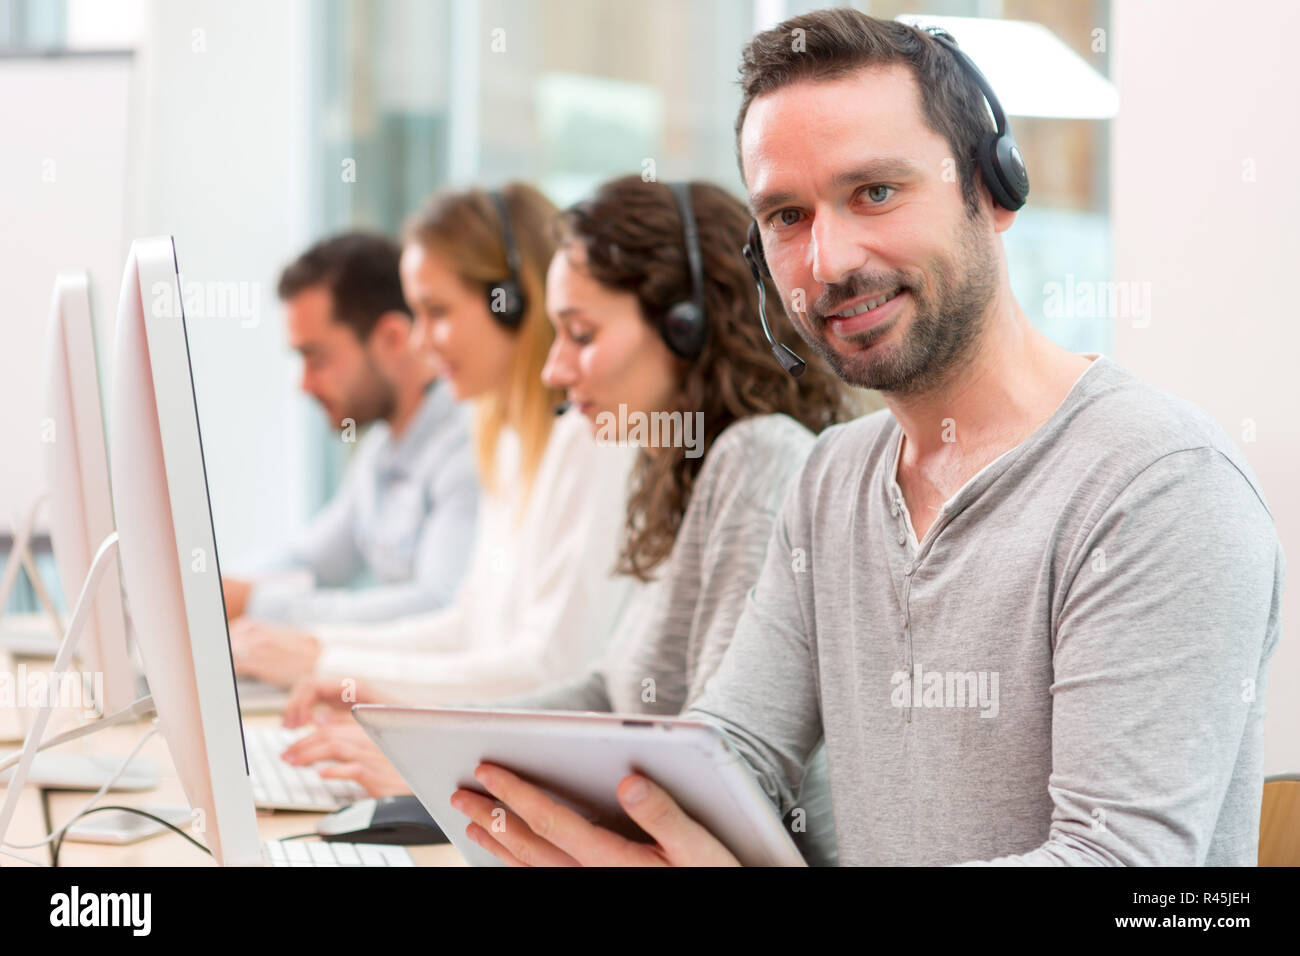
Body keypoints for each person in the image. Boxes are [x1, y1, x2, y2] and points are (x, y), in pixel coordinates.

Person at [450, 9, 1285, 866]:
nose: (829, 261)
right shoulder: (831, 479)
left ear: (993, 189)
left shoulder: (1162, 486)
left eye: (874, 193)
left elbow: (1125, 874)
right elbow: (731, 746)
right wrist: (558, 805)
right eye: (786, 216)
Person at [279, 178, 864, 865]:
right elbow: (604, 690)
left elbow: (712, 772)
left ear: (687, 324)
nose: (555, 369)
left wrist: (452, 768)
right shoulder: (676, 471)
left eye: (580, 334)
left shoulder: (759, 456)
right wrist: (433, 745)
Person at [232, 183, 638, 699]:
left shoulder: (589, 440)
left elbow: (550, 669)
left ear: (511, 304)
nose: (420, 341)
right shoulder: (506, 442)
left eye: (437, 313)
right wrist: (317, 652)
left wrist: (326, 662)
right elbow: (468, 627)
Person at [222, 232, 477, 627]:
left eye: (317, 358)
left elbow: (439, 605)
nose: (303, 385)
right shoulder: (381, 450)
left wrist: (255, 604)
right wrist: (211, 590)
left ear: (392, 338)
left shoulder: (465, 448)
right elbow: (312, 562)